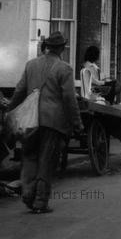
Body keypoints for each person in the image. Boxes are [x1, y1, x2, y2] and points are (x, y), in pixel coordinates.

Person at [7, 31, 83, 214]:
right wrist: (76, 123)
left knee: (30, 157)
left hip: (30, 120)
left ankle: (27, 194)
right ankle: (40, 201)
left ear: (47, 47)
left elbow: (19, 91)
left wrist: (9, 110)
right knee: (46, 161)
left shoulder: (31, 65)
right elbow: (69, 98)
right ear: (62, 48)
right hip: (53, 121)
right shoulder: (64, 68)